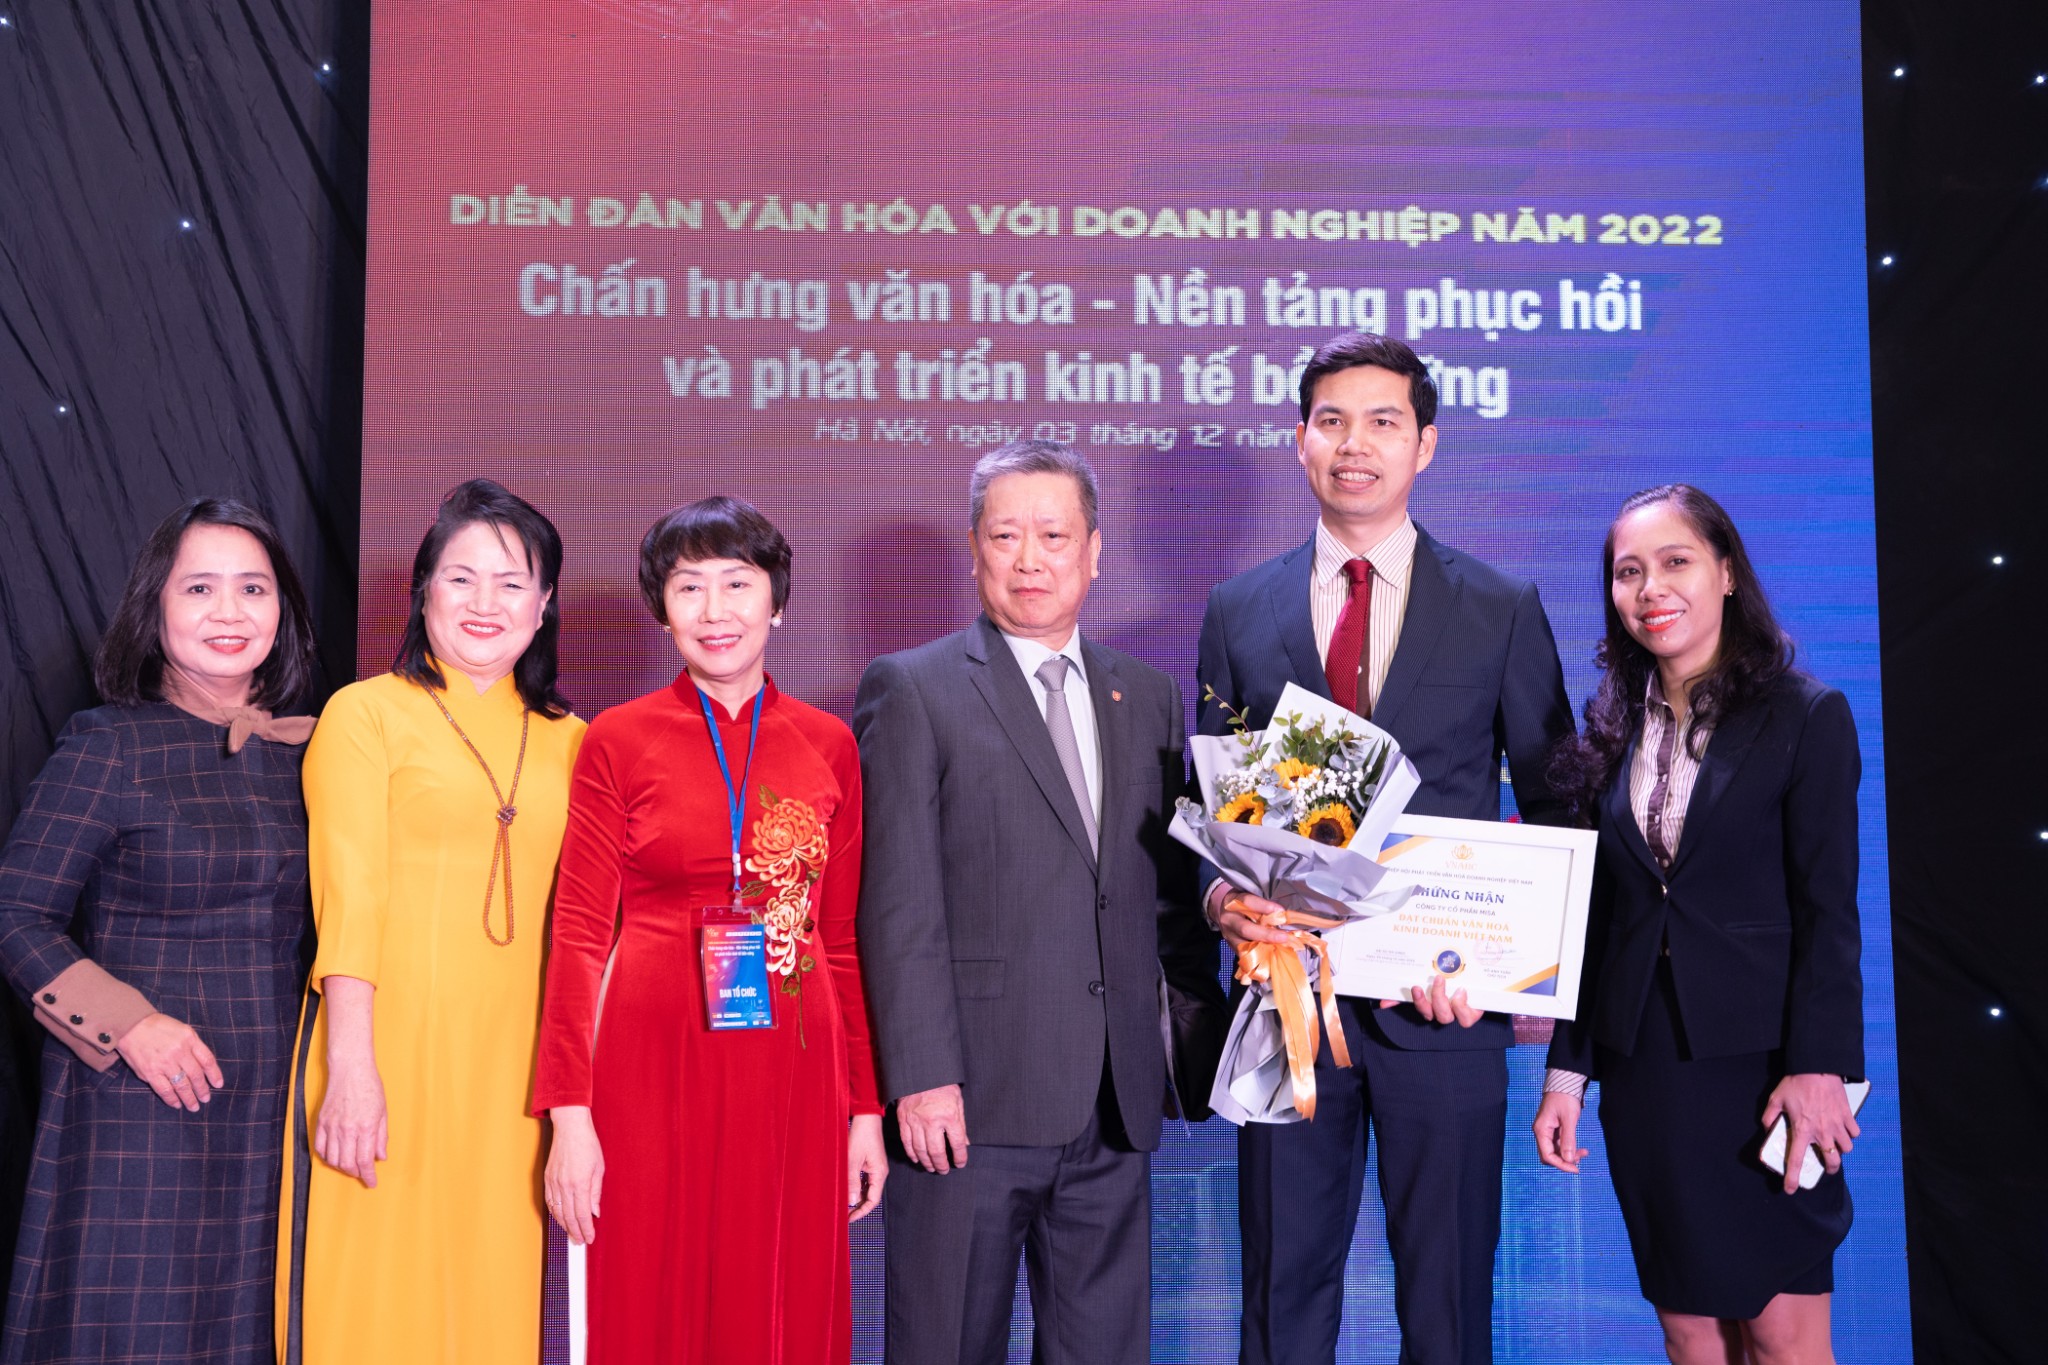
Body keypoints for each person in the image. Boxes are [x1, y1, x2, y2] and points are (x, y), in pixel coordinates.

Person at [1196, 331, 1574, 1365]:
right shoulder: (1239, 610)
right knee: (1281, 1298)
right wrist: (1222, 904)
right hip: (1286, 1008)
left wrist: (1508, 975)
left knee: (1447, 1307)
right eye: (1330, 422)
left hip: (1442, 1014)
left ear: (1425, 445)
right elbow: (1216, 807)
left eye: (1381, 422)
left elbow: (1556, 813)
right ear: (1299, 442)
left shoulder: (1498, 607)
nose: (1352, 445)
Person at [854, 439, 1227, 1365]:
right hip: (966, 1106)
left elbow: (1165, 899)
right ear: (973, 548)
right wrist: (920, 1076)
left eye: (1054, 536)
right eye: (1006, 535)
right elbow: (897, 903)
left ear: (1093, 551)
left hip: (1112, 1106)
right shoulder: (914, 687)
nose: (1031, 559)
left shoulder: (1145, 694)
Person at [532, 496, 886, 1364]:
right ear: (662, 608)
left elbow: (842, 941)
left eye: (738, 583)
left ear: (777, 601)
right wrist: (569, 1114)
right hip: (648, 1056)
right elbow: (578, 932)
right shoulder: (617, 738)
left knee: (779, 1289)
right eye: (689, 587)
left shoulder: (830, 743)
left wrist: (864, 1109)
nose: (715, 610)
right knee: (649, 1283)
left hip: (794, 1058)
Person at [1533, 485, 1863, 1365]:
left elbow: (1829, 911)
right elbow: (1599, 922)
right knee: (1688, 1332)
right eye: (1628, 572)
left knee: (1782, 1333)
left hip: (1766, 1068)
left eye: (1674, 562)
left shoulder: (1806, 714)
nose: (1650, 589)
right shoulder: (1610, 731)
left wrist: (1821, 1065)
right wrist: (1566, 1075)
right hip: (1647, 1070)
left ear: (1726, 572)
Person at [0, 498, 318, 1363]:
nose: (229, 611)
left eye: (253, 587)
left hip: (275, 1106)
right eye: (200, 587)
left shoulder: (315, 753)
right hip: (141, 1102)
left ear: (282, 609)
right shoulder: (110, 746)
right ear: (156, 606)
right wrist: (130, 1025)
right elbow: (17, 912)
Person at [277, 479, 586, 1365]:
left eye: (512, 582)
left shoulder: (576, 739)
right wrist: (351, 1067)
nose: (485, 602)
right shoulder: (366, 712)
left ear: (543, 604)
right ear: (423, 592)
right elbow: (350, 896)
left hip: (515, 1073)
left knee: (488, 1307)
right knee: (374, 1305)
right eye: (461, 577)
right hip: (385, 1054)